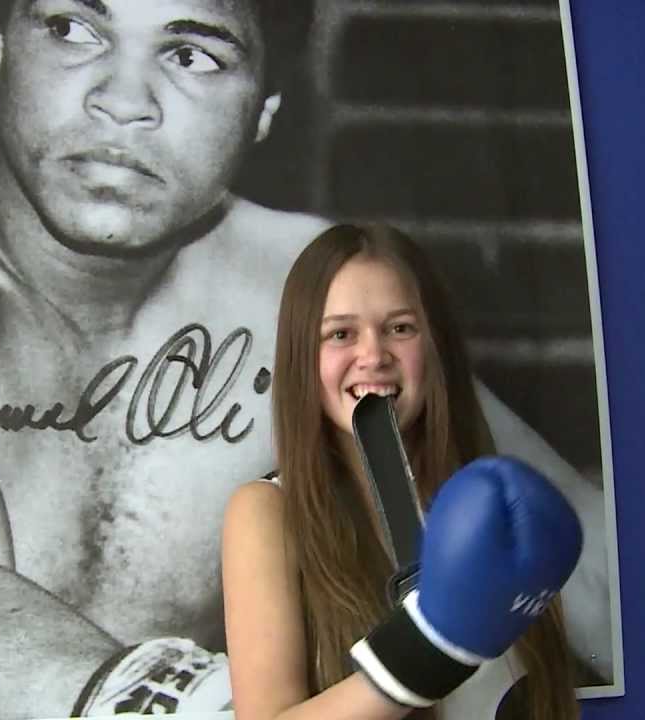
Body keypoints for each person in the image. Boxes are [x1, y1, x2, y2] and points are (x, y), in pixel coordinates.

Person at [0, 1, 611, 718]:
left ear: (264, 112)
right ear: (0, 51)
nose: (121, 102)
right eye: (74, 29)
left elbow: (585, 562)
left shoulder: (301, 296)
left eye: (192, 53)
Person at [222, 224, 581, 719]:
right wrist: (431, 649)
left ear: (433, 346)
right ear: (302, 358)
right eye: (341, 334)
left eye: (400, 328)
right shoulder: (266, 512)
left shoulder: (497, 508)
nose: (373, 356)